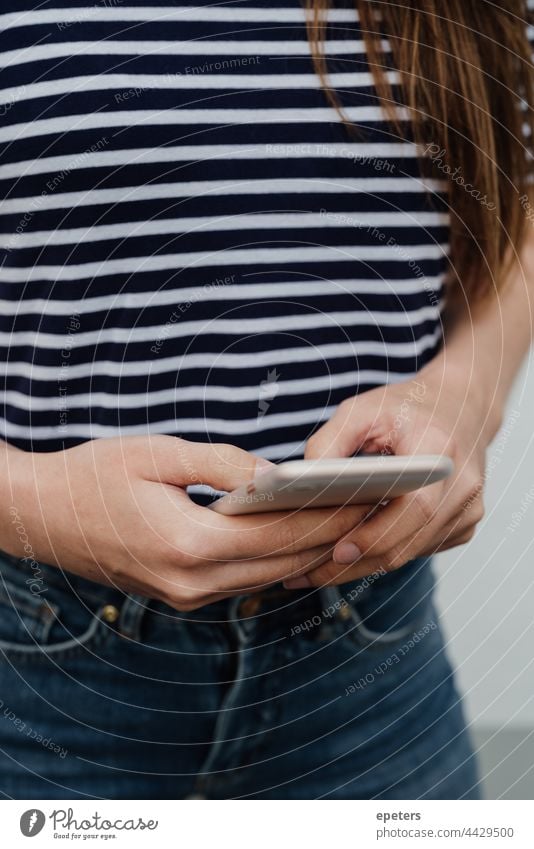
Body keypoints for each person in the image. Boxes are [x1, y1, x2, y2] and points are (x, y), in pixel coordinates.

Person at [0, 0, 532, 799]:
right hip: (36, 651)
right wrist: (26, 502)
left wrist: (462, 397)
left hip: (369, 649)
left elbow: (515, 189)